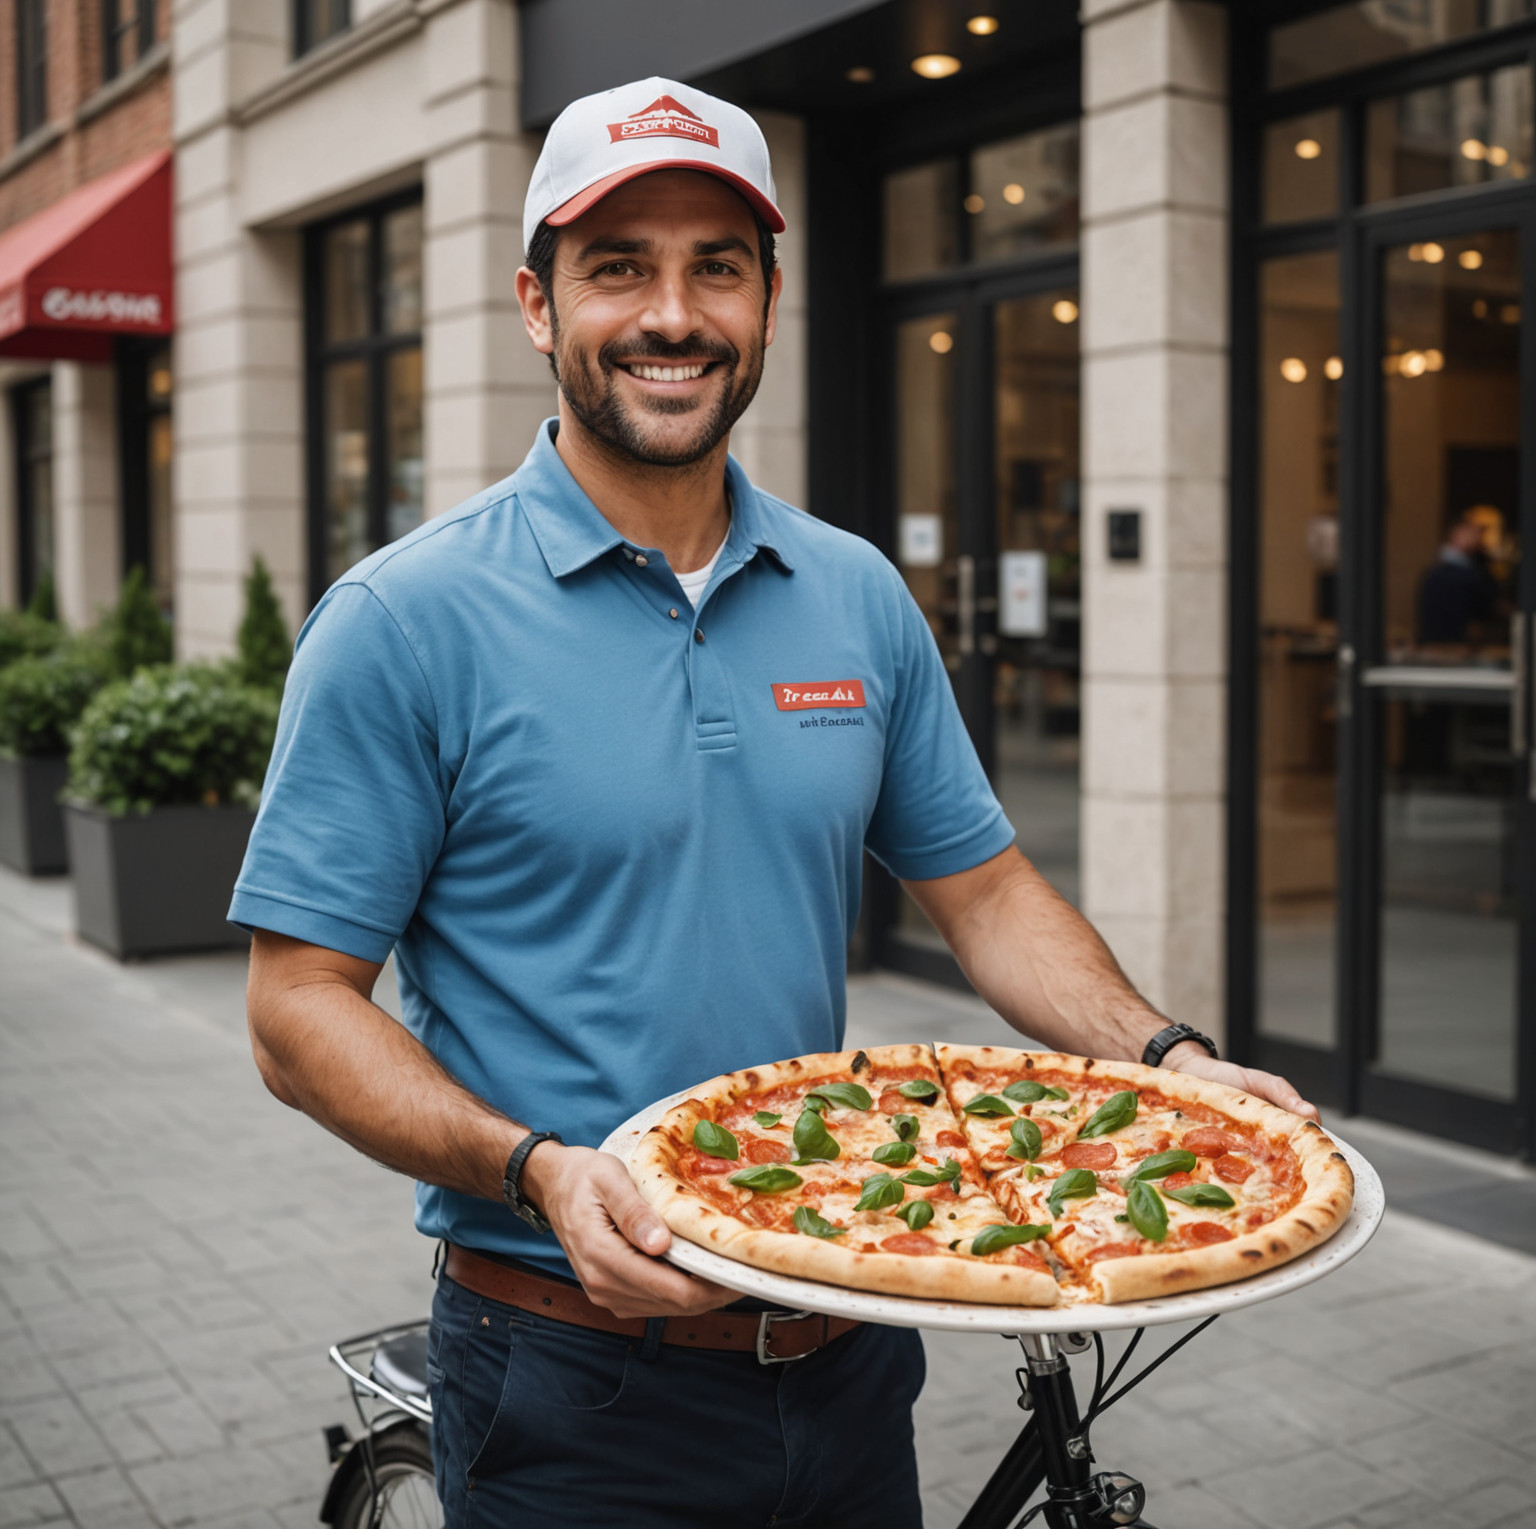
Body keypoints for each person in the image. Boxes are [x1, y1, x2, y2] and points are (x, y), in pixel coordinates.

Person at [237, 78, 1317, 1529]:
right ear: (538, 307)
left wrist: (1167, 1061)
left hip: (851, 1333)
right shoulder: (403, 621)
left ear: (768, 304)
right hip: (569, 1364)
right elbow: (298, 1010)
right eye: (617, 266)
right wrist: (538, 1171)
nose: (671, 314)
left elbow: (985, 894)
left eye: (716, 267)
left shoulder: (856, 592)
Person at [1418, 510, 1499, 646]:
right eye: (1471, 532)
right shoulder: (1444, 573)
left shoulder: (1472, 566)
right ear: (1456, 532)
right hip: (1449, 645)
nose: (1476, 537)